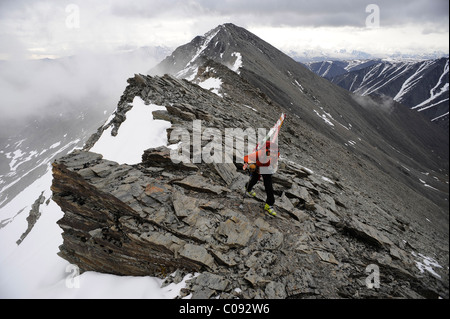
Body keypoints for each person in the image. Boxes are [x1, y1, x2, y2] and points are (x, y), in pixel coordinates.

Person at [244, 140, 280, 216]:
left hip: (266, 167)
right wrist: (251, 164)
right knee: (255, 179)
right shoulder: (260, 153)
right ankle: (248, 188)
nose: (272, 156)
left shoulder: (276, 155)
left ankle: (269, 204)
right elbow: (246, 158)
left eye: (273, 155)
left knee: (268, 185)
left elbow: (273, 163)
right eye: (270, 155)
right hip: (257, 165)